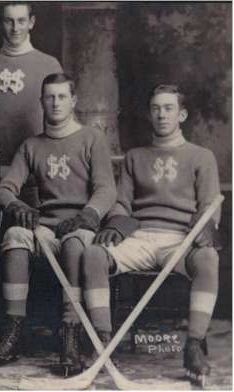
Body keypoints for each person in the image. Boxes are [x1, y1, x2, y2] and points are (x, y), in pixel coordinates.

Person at [81, 84, 221, 386]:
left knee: (208, 258)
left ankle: (194, 346)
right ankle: (102, 340)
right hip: (140, 238)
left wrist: (206, 226)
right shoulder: (135, 156)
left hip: (180, 239)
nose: (162, 114)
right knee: (93, 253)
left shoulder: (201, 156)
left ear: (181, 114)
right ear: (149, 113)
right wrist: (116, 223)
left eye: (169, 108)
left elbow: (211, 205)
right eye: (156, 108)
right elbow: (122, 201)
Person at [0, 73, 116, 375]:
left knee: (75, 243)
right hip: (46, 227)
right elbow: (3, 188)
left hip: (81, 224)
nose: (56, 103)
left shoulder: (91, 138)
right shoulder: (32, 145)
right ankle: (14, 328)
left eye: (62, 96)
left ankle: (70, 333)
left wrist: (87, 215)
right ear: (41, 102)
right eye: (50, 97)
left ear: (73, 100)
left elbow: (106, 189)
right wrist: (17, 204)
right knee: (15, 235)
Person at [0, 2, 62, 166]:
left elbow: (61, 111)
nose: (15, 28)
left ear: (31, 22)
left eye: (21, 21)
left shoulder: (50, 65)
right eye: (9, 21)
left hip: (37, 161)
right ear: (1, 23)